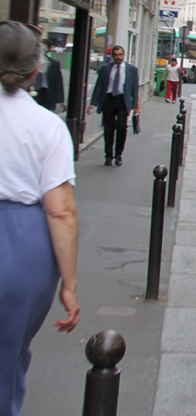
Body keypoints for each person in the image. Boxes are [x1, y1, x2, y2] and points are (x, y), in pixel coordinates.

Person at [0, 21, 81, 416]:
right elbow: (60, 211)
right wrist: (70, 284)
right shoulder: (48, 127)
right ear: (35, 71)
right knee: (7, 358)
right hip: (20, 246)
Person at [87, 45, 139, 166]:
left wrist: (134, 104)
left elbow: (134, 88)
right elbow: (99, 86)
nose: (118, 57)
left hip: (122, 101)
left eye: (120, 55)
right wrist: (93, 103)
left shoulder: (131, 69)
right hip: (109, 100)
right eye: (115, 55)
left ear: (123, 54)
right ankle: (108, 156)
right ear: (113, 56)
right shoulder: (106, 69)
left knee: (121, 128)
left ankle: (118, 155)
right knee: (108, 129)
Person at [31, 39, 65, 112]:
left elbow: (58, 82)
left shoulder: (54, 64)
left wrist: (60, 100)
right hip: (36, 91)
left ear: (49, 50)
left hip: (48, 92)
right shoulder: (32, 62)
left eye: (45, 48)